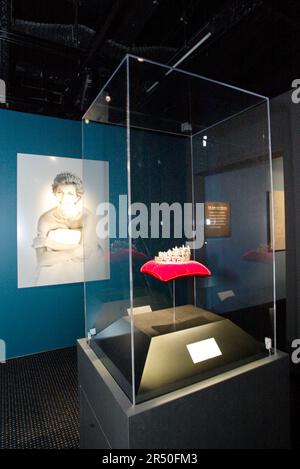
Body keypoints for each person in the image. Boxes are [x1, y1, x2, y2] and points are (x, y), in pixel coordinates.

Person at [33, 172, 101, 284]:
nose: (64, 198)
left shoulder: (86, 217)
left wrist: (51, 243)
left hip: (84, 273)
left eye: (70, 193)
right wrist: (75, 251)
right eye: (60, 192)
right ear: (54, 193)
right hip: (52, 275)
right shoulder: (45, 220)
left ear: (77, 197)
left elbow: (86, 253)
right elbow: (41, 260)